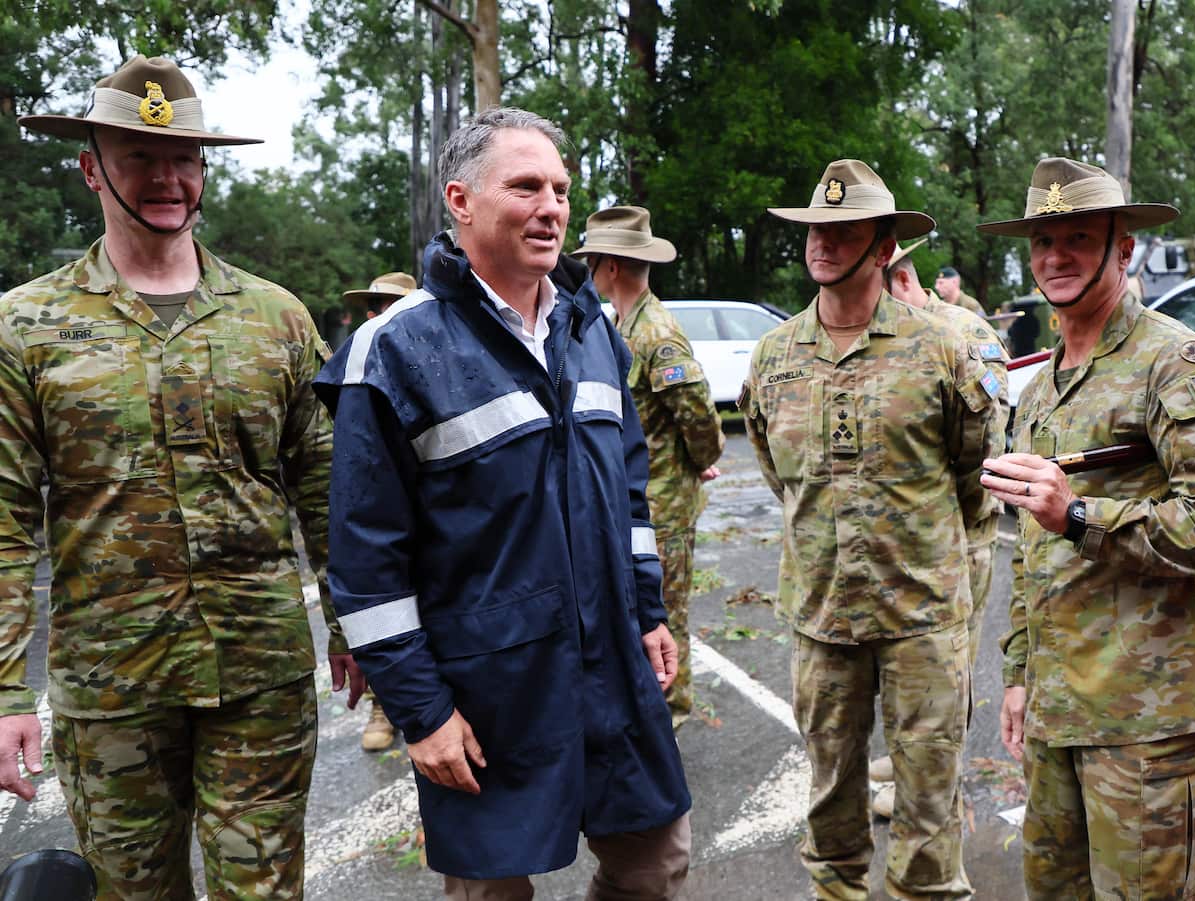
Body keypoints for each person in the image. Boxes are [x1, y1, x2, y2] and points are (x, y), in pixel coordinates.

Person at [0, 56, 362, 899]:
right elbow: (6, 515)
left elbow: (327, 485)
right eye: (139, 156)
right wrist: (8, 687)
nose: (168, 177)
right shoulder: (26, 326)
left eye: (186, 159)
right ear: (93, 167)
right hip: (111, 689)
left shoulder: (275, 318)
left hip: (260, 672)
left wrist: (354, 625)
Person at [314, 107, 691, 899]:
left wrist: (648, 611)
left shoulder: (592, 329)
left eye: (559, 188)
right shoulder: (395, 351)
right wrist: (421, 712)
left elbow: (627, 492)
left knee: (654, 864)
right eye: (525, 186)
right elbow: (366, 561)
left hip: (611, 673)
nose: (551, 206)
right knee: (491, 893)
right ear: (460, 200)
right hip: (487, 693)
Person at [979, 157, 1195, 900]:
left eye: (1079, 236)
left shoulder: (1175, 363)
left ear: (1124, 247)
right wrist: (1017, 672)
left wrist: (1081, 515)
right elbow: (1033, 550)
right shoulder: (1040, 385)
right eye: (1043, 240)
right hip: (1058, 716)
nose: (1056, 256)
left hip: (1152, 729)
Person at [739, 159, 1003, 900]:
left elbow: (974, 476)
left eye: (843, 230)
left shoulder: (943, 349)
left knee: (926, 806)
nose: (822, 243)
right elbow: (781, 474)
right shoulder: (775, 357)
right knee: (830, 804)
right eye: (815, 229)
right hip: (822, 615)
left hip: (923, 616)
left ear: (883, 248)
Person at [571, 205, 724, 729]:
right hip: (640, 497)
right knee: (639, 606)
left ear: (610, 266)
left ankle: (671, 709)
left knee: (664, 607)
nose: (588, 270)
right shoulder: (622, 324)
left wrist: (700, 461)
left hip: (663, 501)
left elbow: (698, 412)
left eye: (592, 261)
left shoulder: (655, 331)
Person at [874, 238, 1009, 817]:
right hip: (904, 540)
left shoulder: (965, 334)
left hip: (959, 535)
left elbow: (984, 453)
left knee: (949, 668)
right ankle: (908, 761)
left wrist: (949, 520)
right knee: (909, 667)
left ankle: (933, 785)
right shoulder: (893, 334)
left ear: (902, 283)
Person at [341, 271, 417, 752]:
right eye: (374, 305)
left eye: (388, 303)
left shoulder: (435, 351)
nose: (378, 313)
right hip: (373, 500)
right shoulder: (354, 354)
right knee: (378, 602)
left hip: (427, 515)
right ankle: (383, 706)